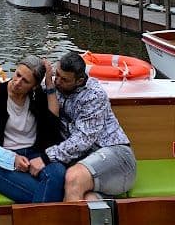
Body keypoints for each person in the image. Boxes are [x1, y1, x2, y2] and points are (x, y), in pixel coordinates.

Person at [32, 52, 136, 201]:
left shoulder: (94, 95)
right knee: (88, 200)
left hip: (118, 158)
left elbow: (83, 139)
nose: (58, 81)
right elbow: (30, 86)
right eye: (57, 75)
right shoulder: (55, 86)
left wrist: (46, 157)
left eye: (65, 79)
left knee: (74, 177)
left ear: (80, 80)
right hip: (87, 161)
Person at [0, 55, 65, 203]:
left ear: (34, 86)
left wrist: (49, 83)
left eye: (25, 81)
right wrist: (13, 159)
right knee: (48, 192)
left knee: (58, 172)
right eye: (17, 75)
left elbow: (52, 123)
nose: (17, 82)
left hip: (34, 154)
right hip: (1, 161)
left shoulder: (37, 97)